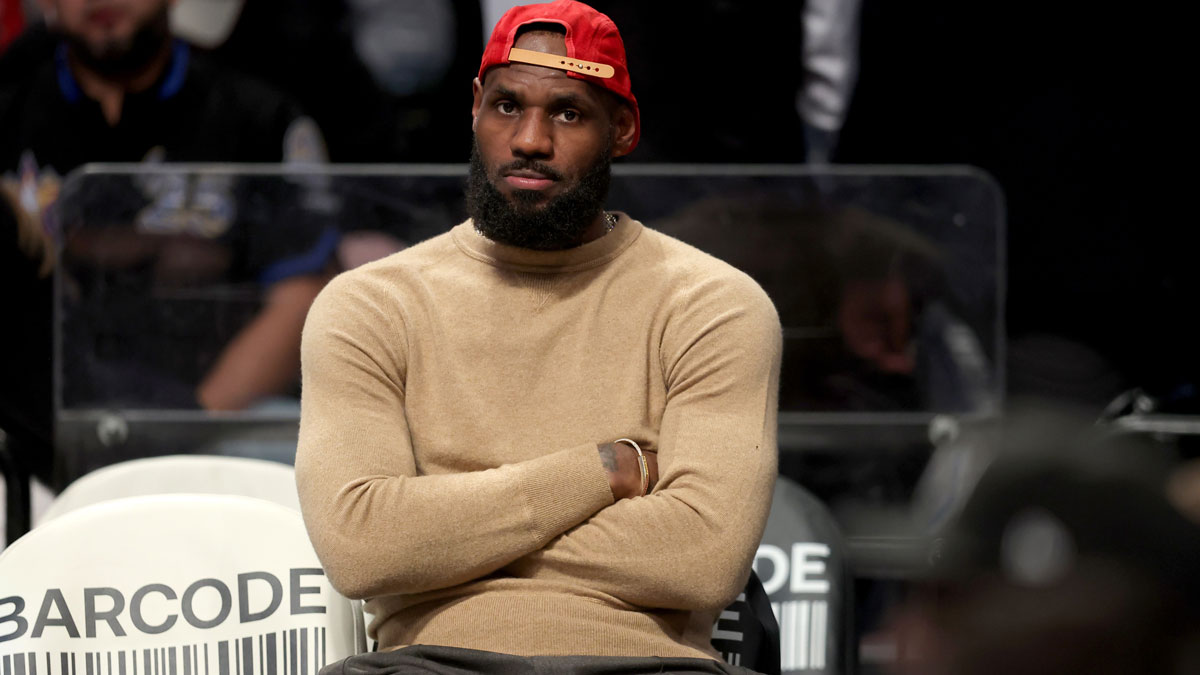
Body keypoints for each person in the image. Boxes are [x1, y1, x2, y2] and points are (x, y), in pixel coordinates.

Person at [295, 1, 782, 673]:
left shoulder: (711, 304)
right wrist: (603, 469)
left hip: (645, 668)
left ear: (624, 129)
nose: (529, 139)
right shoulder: (369, 305)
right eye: (506, 106)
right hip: (427, 664)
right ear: (474, 109)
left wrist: (447, 533)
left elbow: (703, 555)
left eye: (568, 113)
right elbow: (363, 547)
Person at [0, 0, 336, 468]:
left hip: (215, 416)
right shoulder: (10, 105)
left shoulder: (256, 114)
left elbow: (302, 295)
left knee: (308, 451)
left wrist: (184, 428)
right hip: (36, 429)